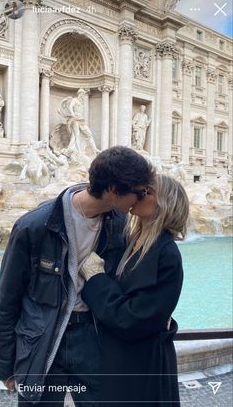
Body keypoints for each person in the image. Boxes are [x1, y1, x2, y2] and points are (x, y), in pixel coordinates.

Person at [0, 146, 154, 406]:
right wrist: (5, 366)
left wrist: (153, 308)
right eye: (138, 192)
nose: (139, 200)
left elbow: (125, 280)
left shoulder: (119, 225)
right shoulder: (33, 226)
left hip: (94, 338)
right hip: (43, 339)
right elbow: (6, 300)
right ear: (114, 190)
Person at [80, 174, 189, 406]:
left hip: (142, 367)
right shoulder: (131, 239)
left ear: (164, 204)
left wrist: (95, 278)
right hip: (121, 358)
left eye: (146, 192)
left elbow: (133, 319)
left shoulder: (167, 254)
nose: (138, 195)